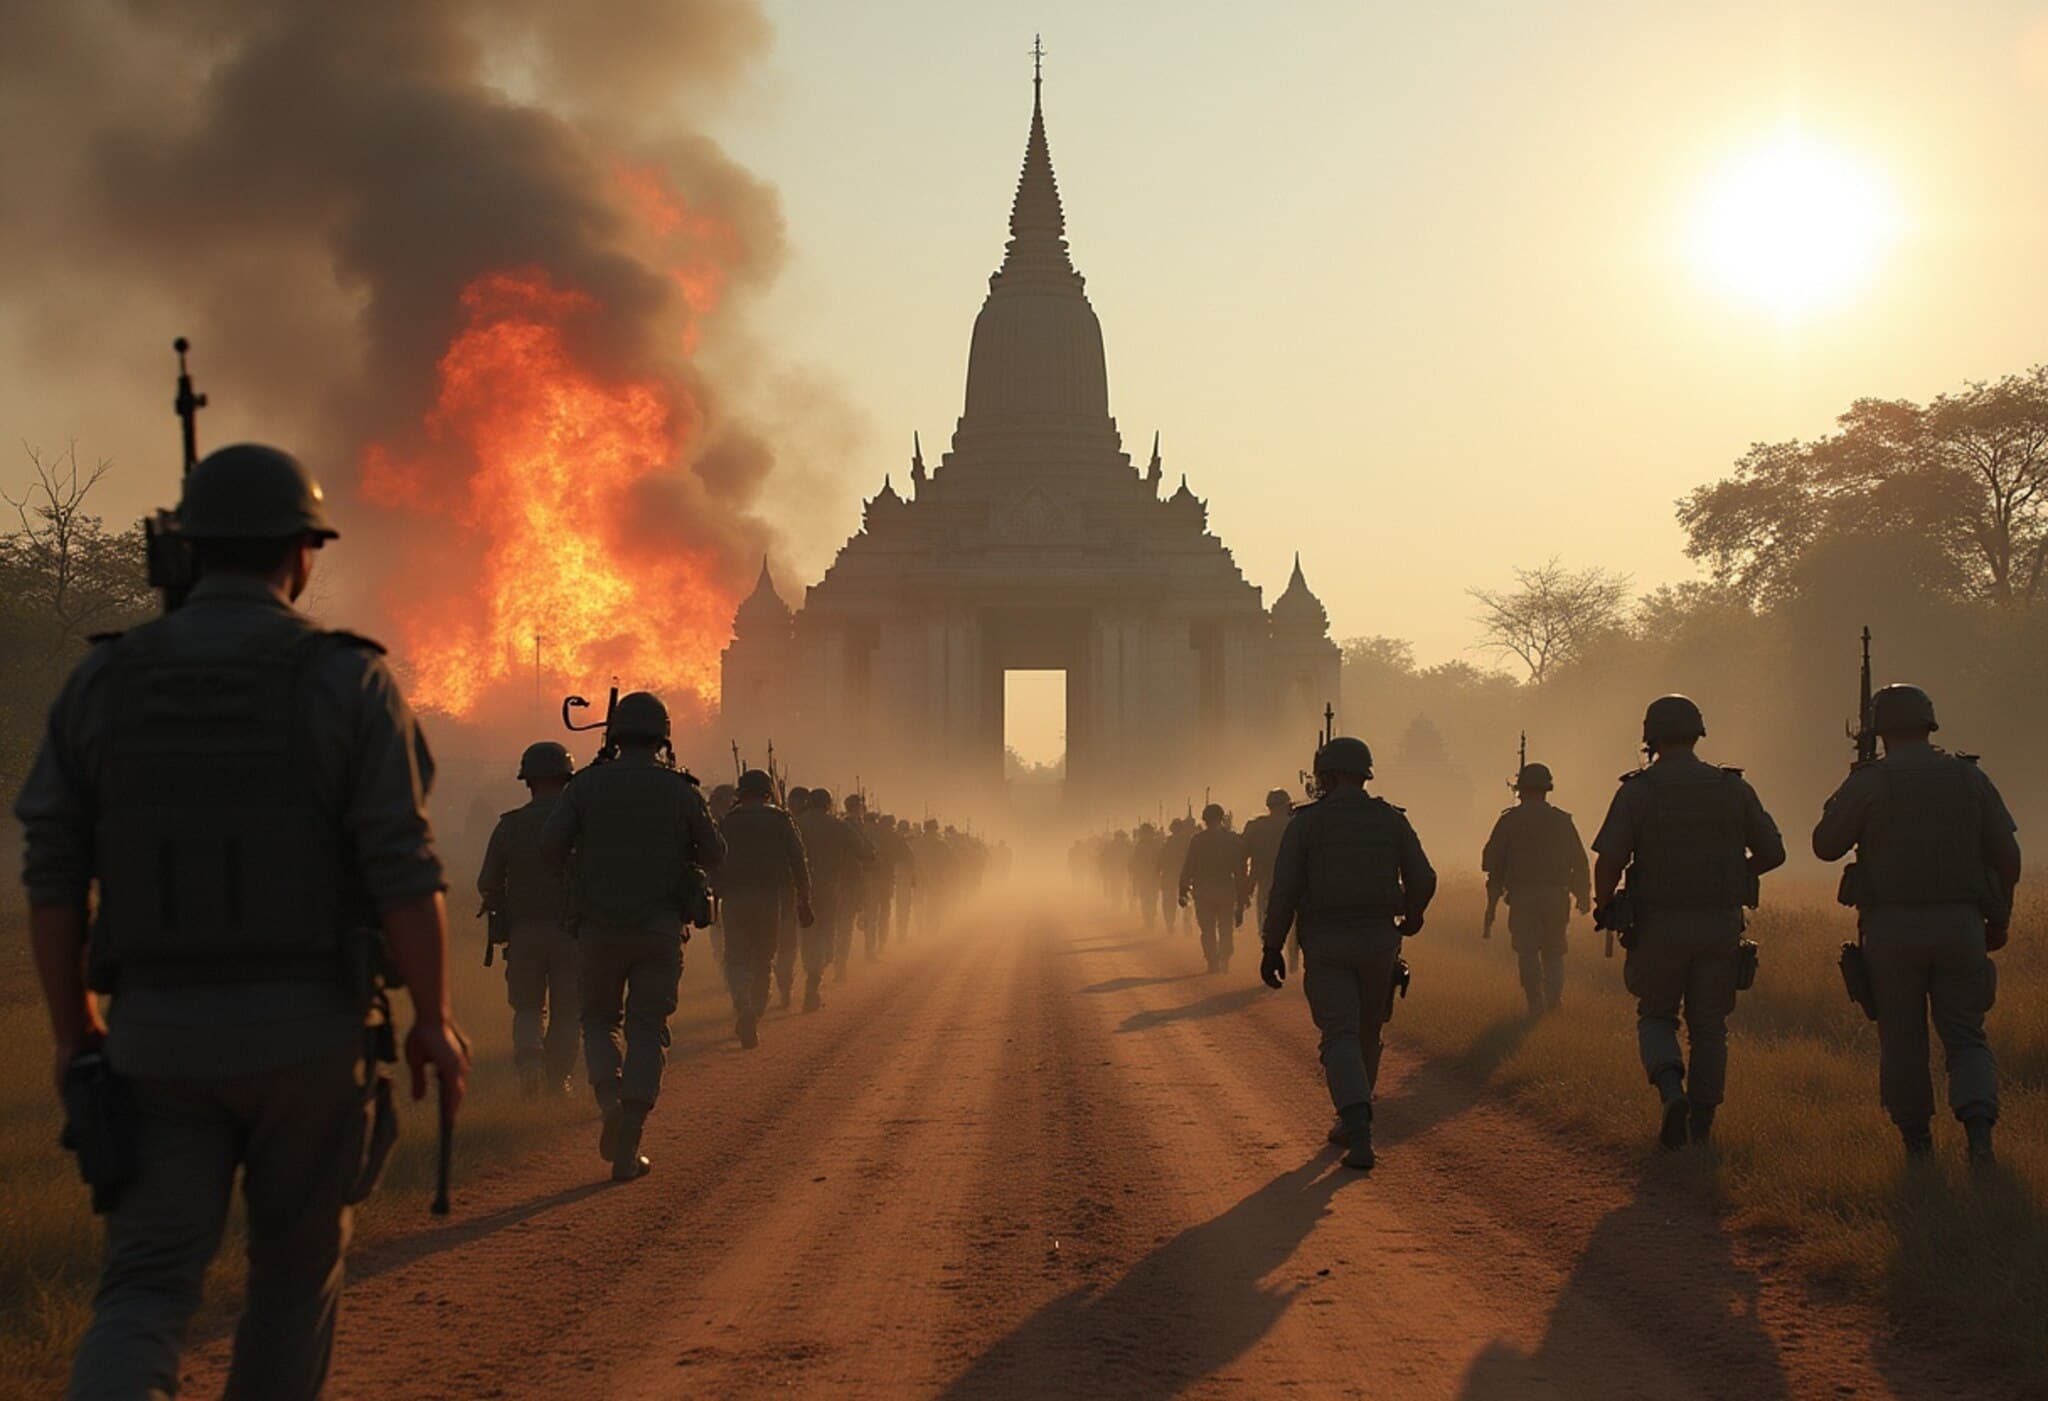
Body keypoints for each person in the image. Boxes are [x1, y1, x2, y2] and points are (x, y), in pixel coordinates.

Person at [16, 443, 469, 1398]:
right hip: (310, 1031)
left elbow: (52, 876)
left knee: (144, 1285)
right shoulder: (348, 680)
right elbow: (405, 868)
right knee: (293, 1281)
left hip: (154, 1032)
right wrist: (432, 1017)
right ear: (301, 552)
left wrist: (73, 1031)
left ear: (184, 547)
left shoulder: (105, 680)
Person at [1812, 684, 2021, 1165]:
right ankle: (1979, 1132)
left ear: (1877, 729)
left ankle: (1918, 1147)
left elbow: (1825, 845)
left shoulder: (1869, 782)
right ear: (1929, 723)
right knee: (1966, 1034)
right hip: (1961, 924)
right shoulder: (1969, 777)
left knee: (1902, 1039)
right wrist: (2000, 917)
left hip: (1892, 929)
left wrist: (1846, 787)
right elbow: (2007, 855)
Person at [541, 690, 724, 1182]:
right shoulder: (680, 790)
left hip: (597, 928)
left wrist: (583, 870)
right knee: (647, 1028)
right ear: (663, 737)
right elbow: (714, 854)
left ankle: (609, 1104)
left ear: (616, 734)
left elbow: (550, 847)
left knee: (598, 1021)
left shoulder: (584, 786)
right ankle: (631, 1135)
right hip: (659, 928)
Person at [1592, 695, 1784, 1150]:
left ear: (1651, 738)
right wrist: (1733, 874)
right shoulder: (1733, 788)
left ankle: (1671, 1091)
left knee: (1656, 1015)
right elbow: (1773, 853)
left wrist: (1604, 905)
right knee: (1710, 1027)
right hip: (1720, 925)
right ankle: (1703, 1124)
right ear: (1698, 734)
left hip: (1657, 926)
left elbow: (1610, 860)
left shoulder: (1638, 791)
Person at [1260, 736, 1435, 1170]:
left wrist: (1272, 945)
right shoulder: (1390, 819)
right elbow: (1424, 877)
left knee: (1339, 1034)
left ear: (1327, 775)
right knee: (1367, 1033)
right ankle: (1353, 1117)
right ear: (1364, 774)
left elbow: (1284, 891)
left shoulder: (1306, 823)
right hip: (1379, 940)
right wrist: (1413, 916)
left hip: (1326, 942)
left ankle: (1357, 1126)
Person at [479, 741, 581, 1096]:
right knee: (568, 1010)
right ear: (566, 779)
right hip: (572, 932)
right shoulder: (581, 826)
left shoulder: (510, 826)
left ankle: (531, 1066)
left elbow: (487, 882)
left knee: (527, 1007)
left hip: (523, 932)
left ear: (528, 781)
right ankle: (558, 1080)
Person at [1481, 762, 1592, 1016]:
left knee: (1527, 951)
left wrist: (1493, 902)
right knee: (1554, 952)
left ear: (1520, 789)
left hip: (1523, 897)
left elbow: (1490, 861)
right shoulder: (1562, 820)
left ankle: (1535, 1004)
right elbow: (1579, 861)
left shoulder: (1510, 820)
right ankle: (1554, 1003)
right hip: (1557, 895)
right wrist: (1583, 895)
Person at [717, 770, 814, 1048]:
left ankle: (742, 1005)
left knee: (735, 957)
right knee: (763, 957)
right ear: (767, 791)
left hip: (734, 898)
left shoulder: (728, 820)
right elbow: (798, 860)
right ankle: (755, 1011)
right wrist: (804, 898)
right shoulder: (780, 819)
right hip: (770, 898)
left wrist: (716, 890)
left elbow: (714, 857)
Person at [794, 789, 869, 1007]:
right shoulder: (838, 825)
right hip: (829, 889)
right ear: (828, 804)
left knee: (806, 934)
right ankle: (813, 982)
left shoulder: (796, 823)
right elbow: (864, 851)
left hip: (800, 889)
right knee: (826, 935)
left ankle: (808, 976)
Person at [1180, 804, 1251, 973]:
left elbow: (1189, 866)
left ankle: (1212, 961)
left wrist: (1182, 888)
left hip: (1203, 891)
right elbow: (1240, 870)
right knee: (1226, 927)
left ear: (1205, 820)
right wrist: (1243, 894)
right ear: (1221, 818)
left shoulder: (1197, 840)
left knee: (1207, 929)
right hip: (1226, 889)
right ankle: (1224, 957)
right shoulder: (1232, 839)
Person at [1240, 789, 1296, 970]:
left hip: (1267, 884)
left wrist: (1246, 886)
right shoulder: (1296, 824)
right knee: (1294, 925)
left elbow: (1242, 856)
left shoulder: (1256, 827)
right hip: (1295, 884)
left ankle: (1271, 957)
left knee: (1267, 925)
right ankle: (1293, 959)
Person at [1129, 823, 1164, 930]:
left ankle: (1150, 918)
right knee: (1146, 898)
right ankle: (1148, 919)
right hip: (1146, 876)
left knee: (1150, 898)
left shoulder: (1151, 845)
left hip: (1151, 876)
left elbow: (1161, 860)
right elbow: (1135, 862)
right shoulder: (1142, 845)